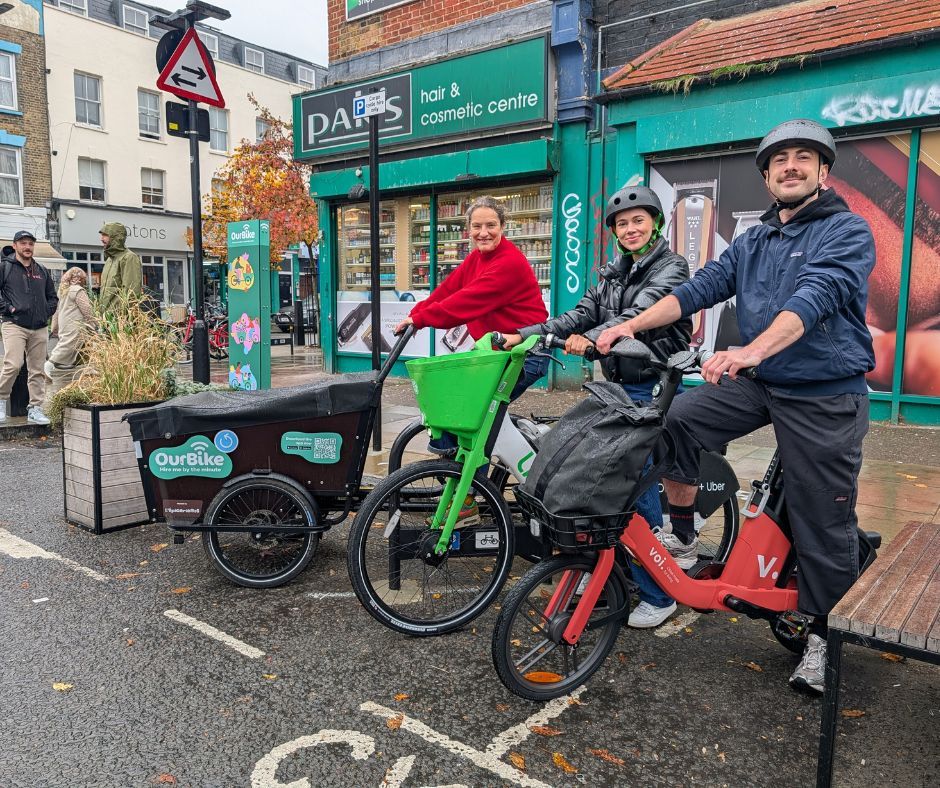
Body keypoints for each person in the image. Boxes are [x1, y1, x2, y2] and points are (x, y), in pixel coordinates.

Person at [596, 119, 876, 695]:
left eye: (804, 158)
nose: (791, 166)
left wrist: (749, 349)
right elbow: (695, 292)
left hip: (825, 392)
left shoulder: (847, 232)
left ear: (823, 171)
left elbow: (814, 298)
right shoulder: (754, 240)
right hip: (763, 380)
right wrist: (627, 324)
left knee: (821, 513)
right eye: (780, 160)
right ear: (768, 177)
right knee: (669, 423)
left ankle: (827, 635)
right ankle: (683, 530)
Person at [502, 185, 692, 629]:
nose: (630, 228)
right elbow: (577, 315)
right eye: (622, 223)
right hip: (618, 391)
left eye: (638, 220)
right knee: (592, 479)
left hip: (654, 389)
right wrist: (525, 333)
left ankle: (658, 594)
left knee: (630, 490)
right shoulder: (612, 274)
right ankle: (600, 570)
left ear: (656, 224)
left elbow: (638, 316)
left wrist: (593, 340)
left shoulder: (672, 268)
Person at [0, 231, 58, 424]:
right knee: (13, 365)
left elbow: (52, 297)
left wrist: (45, 312)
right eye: (23, 243)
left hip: (39, 327)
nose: (27, 247)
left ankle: (35, 408)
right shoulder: (5, 267)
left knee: (37, 370)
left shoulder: (41, 270)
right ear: (15, 245)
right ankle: (1, 401)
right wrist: (10, 308)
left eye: (30, 244)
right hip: (13, 324)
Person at [44, 266, 96, 389]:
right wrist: (93, 324)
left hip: (65, 323)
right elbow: (87, 309)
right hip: (76, 324)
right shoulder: (78, 290)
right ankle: (49, 364)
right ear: (81, 278)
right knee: (68, 345)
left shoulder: (62, 291)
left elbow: (56, 311)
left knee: (81, 345)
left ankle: (89, 367)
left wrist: (54, 326)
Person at [98, 222, 142, 314]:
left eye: (105, 235)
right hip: (107, 318)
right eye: (102, 235)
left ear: (116, 237)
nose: (101, 239)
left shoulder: (129, 257)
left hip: (119, 319)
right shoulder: (109, 260)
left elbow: (131, 293)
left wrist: (125, 319)